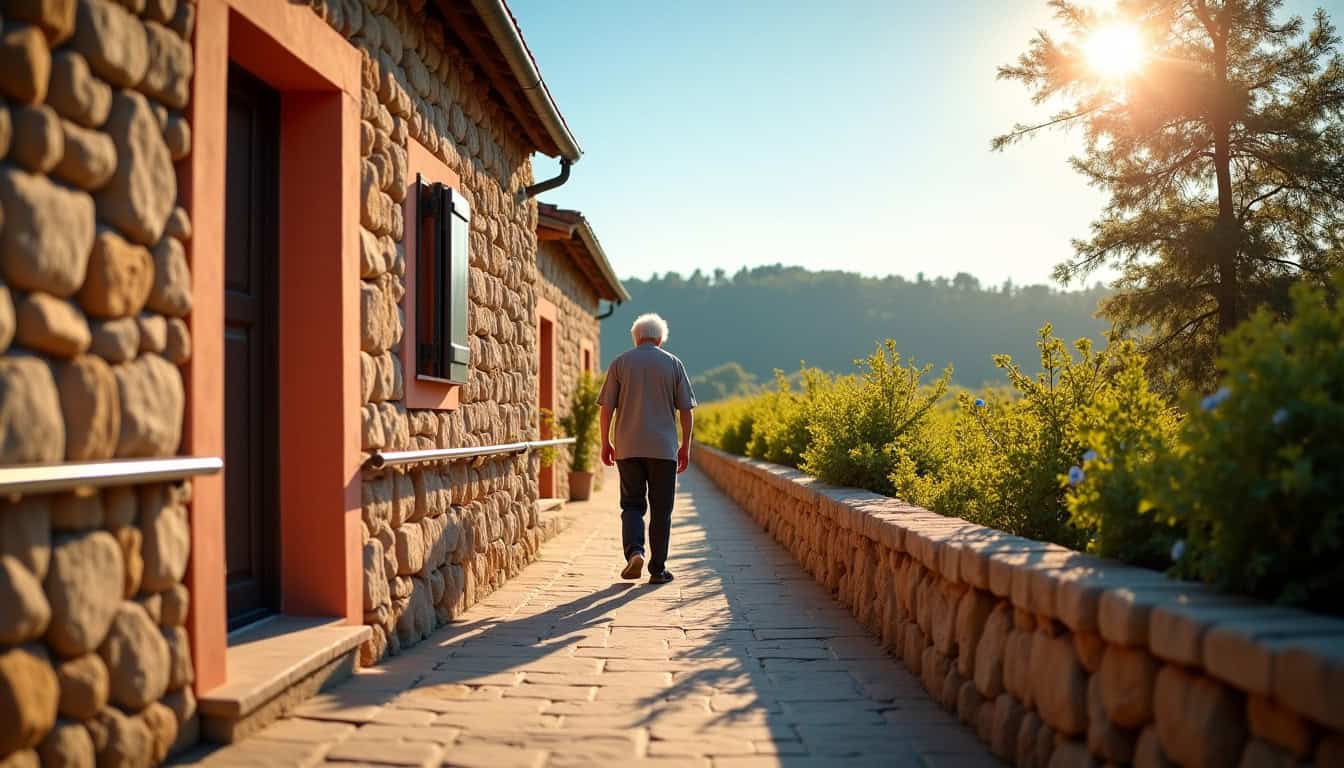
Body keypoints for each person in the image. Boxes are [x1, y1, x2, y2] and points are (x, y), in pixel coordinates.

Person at [598, 313, 697, 585]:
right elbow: (687, 411)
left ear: (636, 337)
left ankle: (635, 552)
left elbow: (607, 408)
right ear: (661, 338)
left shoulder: (620, 363)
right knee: (661, 509)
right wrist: (685, 447)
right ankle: (658, 569)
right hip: (664, 449)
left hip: (627, 448)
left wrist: (606, 442)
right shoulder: (674, 364)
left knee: (631, 504)